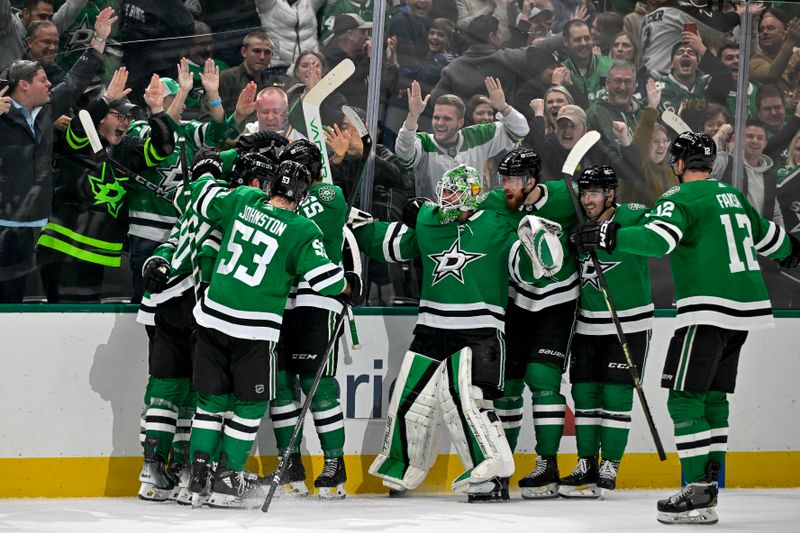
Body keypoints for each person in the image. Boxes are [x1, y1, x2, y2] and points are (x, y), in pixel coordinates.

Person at [572, 131, 799, 525]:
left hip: (708, 307)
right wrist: (794, 251)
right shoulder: (732, 196)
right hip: (745, 309)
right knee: (712, 397)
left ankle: (696, 491)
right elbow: (769, 237)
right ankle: (709, 485)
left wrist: (608, 234)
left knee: (683, 398)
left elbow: (658, 241)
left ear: (678, 164)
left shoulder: (679, 198)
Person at [354, 164, 557, 502]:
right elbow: (393, 244)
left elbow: (528, 272)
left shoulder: (498, 225)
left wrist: (541, 247)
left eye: (452, 191)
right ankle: (401, 465)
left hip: (479, 332)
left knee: (469, 403)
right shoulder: (430, 221)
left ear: (471, 196)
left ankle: (489, 475)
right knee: (408, 401)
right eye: (443, 190)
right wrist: (353, 224)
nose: (444, 197)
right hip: (430, 328)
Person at [184, 154, 360, 509]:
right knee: (250, 405)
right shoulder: (301, 229)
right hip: (253, 330)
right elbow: (325, 281)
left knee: (210, 403)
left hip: (211, 319)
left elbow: (199, 199)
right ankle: (227, 477)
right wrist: (348, 285)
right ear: (302, 193)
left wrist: (205, 175)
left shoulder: (243, 199)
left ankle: (197, 477)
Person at [482, 148, 580, 500]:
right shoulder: (496, 202)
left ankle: (548, 464)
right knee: (507, 386)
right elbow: (462, 212)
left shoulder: (566, 198)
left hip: (558, 301)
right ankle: (503, 467)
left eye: (512, 180)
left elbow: (602, 216)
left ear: (531, 181)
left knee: (543, 379)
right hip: (515, 302)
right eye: (503, 178)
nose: (504, 186)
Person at [0, 5, 113, 303]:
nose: (50, 83)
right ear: (23, 85)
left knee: (12, 299)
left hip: (32, 222)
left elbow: (76, 81)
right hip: (2, 222)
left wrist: (99, 40)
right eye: (42, 80)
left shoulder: (46, 110)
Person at [37, 70, 176, 303]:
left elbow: (164, 148)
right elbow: (81, 128)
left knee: (83, 323)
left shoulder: (128, 149)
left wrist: (157, 111)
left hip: (97, 252)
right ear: (101, 118)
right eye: (119, 116)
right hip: (61, 247)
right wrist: (106, 99)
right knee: (63, 319)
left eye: (129, 118)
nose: (126, 122)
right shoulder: (80, 141)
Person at [558, 165, 652, 499]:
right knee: (584, 396)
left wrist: (608, 237)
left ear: (611, 194)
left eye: (594, 193)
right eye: (584, 193)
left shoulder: (632, 215)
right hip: (587, 323)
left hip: (628, 323)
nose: (587, 200)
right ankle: (586, 462)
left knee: (615, 396)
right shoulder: (578, 223)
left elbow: (656, 238)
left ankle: (610, 462)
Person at [268, 140, 351, 499]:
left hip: (317, 299)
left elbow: (292, 224)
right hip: (280, 302)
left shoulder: (330, 195)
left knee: (318, 385)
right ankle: (291, 465)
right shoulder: (287, 201)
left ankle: (335, 464)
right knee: (281, 386)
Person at [395, 77, 528, 199]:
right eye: (436, 117)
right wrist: (413, 116)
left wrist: (502, 107)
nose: (440, 123)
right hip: (434, 220)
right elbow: (404, 155)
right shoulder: (424, 142)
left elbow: (520, 130)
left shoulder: (478, 135)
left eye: (447, 119)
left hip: (472, 219)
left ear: (460, 122)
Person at [212, 31, 281, 121]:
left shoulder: (272, 83)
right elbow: (207, 116)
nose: (262, 57)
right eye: (257, 51)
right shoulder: (226, 78)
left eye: (267, 52)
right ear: (244, 52)